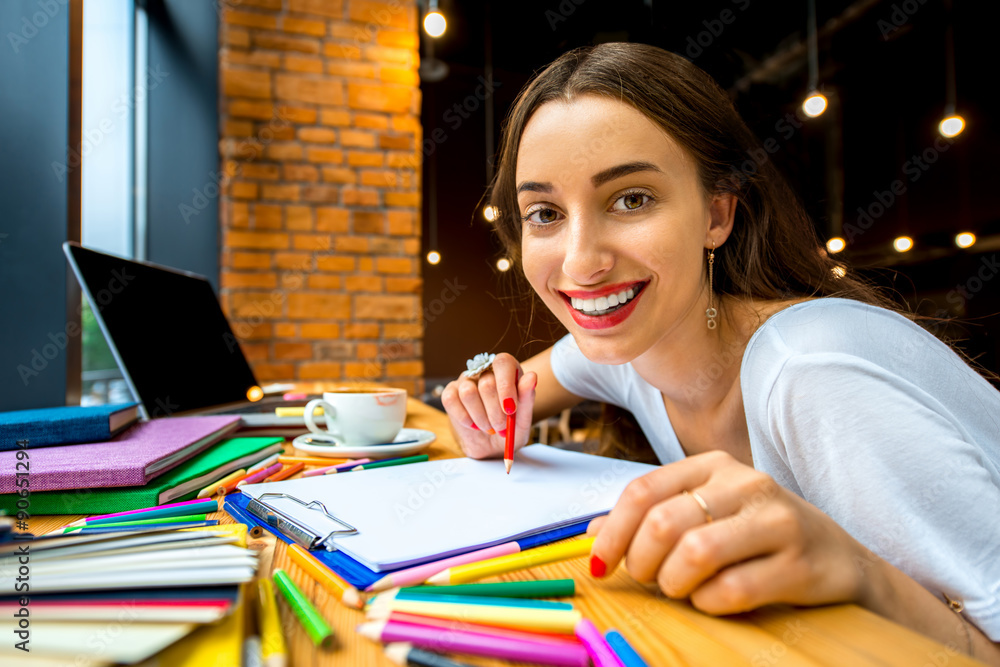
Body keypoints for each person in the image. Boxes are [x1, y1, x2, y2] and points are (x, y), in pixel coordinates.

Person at [440, 42, 1000, 662]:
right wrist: (487, 406)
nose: (579, 262)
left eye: (632, 199)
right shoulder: (630, 351)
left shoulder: (812, 374)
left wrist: (858, 570)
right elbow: (526, 387)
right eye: (544, 213)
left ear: (716, 214)